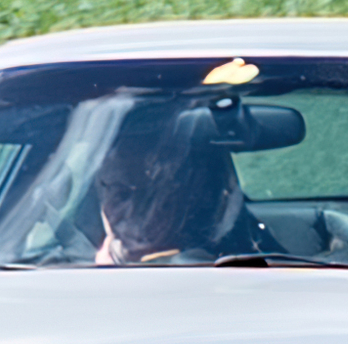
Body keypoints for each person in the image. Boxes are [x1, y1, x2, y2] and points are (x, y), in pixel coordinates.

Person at [91, 105, 268, 264]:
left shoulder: (260, 266)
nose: (135, 209)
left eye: (162, 194)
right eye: (121, 194)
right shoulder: (81, 264)